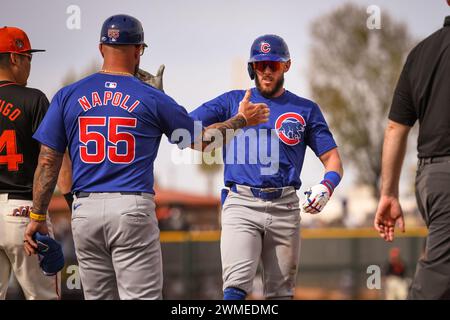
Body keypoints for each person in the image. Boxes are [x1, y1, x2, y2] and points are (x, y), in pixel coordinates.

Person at [23, 14, 269, 300]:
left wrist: (38, 214)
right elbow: (203, 141)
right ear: (139, 50)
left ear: (101, 48)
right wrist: (241, 120)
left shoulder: (68, 95)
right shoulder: (151, 97)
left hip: (84, 210)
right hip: (131, 208)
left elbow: (47, 161)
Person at [190, 34, 344, 300]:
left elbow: (334, 161)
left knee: (281, 293)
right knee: (235, 288)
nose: (267, 71)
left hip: (285, 205)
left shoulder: (305, 109)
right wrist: (239, 119)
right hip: (241, 203)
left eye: (273, 64)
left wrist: (326, 186)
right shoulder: (232, 101)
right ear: (252, 68)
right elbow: (187, 134)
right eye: (261, 65)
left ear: (287, 65)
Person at [374, 8, 450, 299]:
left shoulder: (421, 53)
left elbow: (395, 128)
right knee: (437, 281)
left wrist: (389, 193)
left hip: (431, 178)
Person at [0, 26, 71, 300]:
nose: (30, 63)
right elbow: (53, 158)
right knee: (43, 297)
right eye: (28, 56)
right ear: (15, 58)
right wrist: (71, 202)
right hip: (24, 214)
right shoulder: (34, 99)